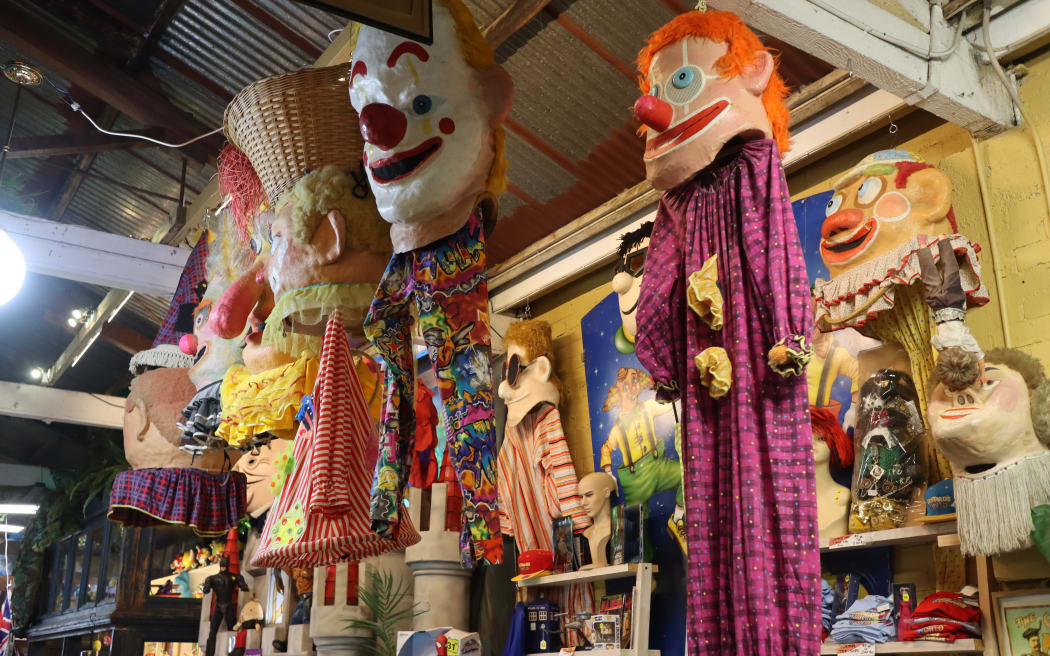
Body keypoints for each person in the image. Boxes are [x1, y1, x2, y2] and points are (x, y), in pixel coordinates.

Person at [597, 368, 684, 552]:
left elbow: (668, 404)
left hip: (658, 466)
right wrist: (608, 473)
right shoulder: (617, 428)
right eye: (626, 386)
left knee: (687, 476)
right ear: (618, 394)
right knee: (636, 533)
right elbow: (606, 449)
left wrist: (677, 388)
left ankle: (678, 517)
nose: (631, 388)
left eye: (635, 383)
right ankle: (644, 571)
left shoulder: (648, 407)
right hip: (635, 480)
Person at [202, 557, 249, 656]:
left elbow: (242, 584)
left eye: (224, 566)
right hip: (219, 605)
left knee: (232, 630)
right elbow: (207, 587)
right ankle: (209, 654)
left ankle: (232, 651)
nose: (223, 568)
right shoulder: (212, 578)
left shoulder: (234, 577)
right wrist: (206, 587)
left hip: (228, 605)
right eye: (222, 566)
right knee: (212, 632)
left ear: (227, 566)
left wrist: (243, 585)